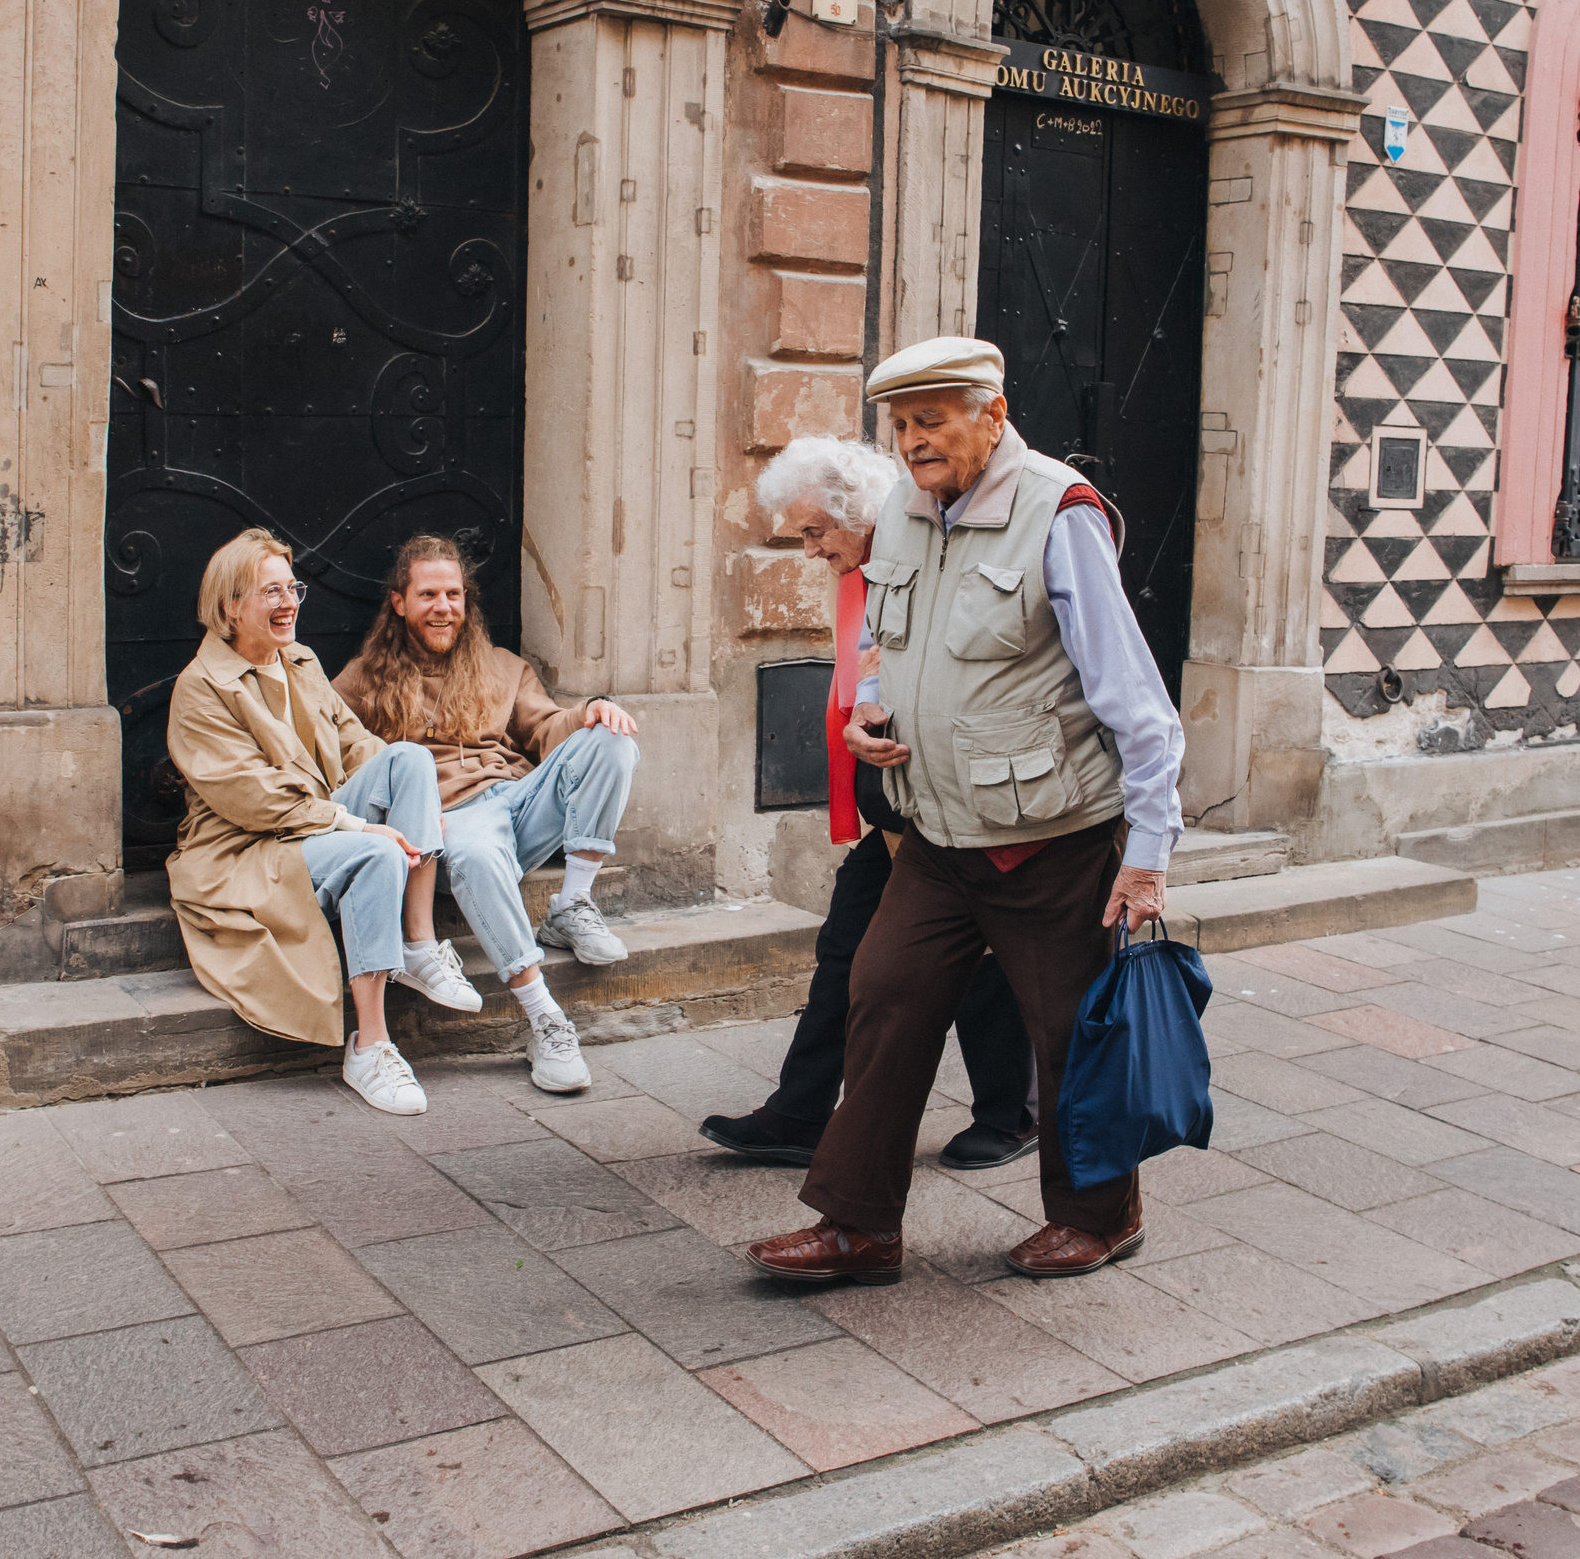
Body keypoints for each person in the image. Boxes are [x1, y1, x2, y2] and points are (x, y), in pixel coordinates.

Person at [745, 336, 1185, 1286]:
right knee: (884, 996)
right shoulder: (903, 513)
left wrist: (1147, 854)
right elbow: (889, 650)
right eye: (901, 425)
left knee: (1068, 1032)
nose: (911, 443)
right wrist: (866, 712)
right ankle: (858, 1227)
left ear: (993, 414)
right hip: (937, 835)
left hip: (1053, 842)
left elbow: (1137, 703)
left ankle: (1101, 1216)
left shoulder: (1057, 513)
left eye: (931, 421)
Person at [699, 436, 1041, 1171]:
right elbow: (874, 676)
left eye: (816, 530)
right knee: (846, 951)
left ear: (859, 512)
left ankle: (1014, 1113)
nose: (810, 549)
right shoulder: (863, 569)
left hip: (948, 797)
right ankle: (799, 1112)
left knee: (977, 956)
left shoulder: (917, 558)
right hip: (894, 798)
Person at [164, 528, 454, 1118]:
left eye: (292, 588)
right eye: (270, 592)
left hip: (319, 820)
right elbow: (253, 799)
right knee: (372, 854)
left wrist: (402, 794)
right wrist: (357, 826)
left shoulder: (300, 660)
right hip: (248, 847)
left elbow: (354, 743)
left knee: (410, 758)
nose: (289, 602)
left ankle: (418, 944)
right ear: (229, 606)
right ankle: (370, 1047)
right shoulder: (199, 688)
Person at [334, 535, 640, 1094]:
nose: (443, 607)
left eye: (453, 594)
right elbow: (331, 753)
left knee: (611, 740)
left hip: (517, 804)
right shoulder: (361, 681)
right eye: (428, 594)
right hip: (452, 824)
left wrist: (588, 712)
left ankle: (572, 902)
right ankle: (543, 1015)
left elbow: (547, 731)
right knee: (474, 847)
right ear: (399, 602)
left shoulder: (503, 667)